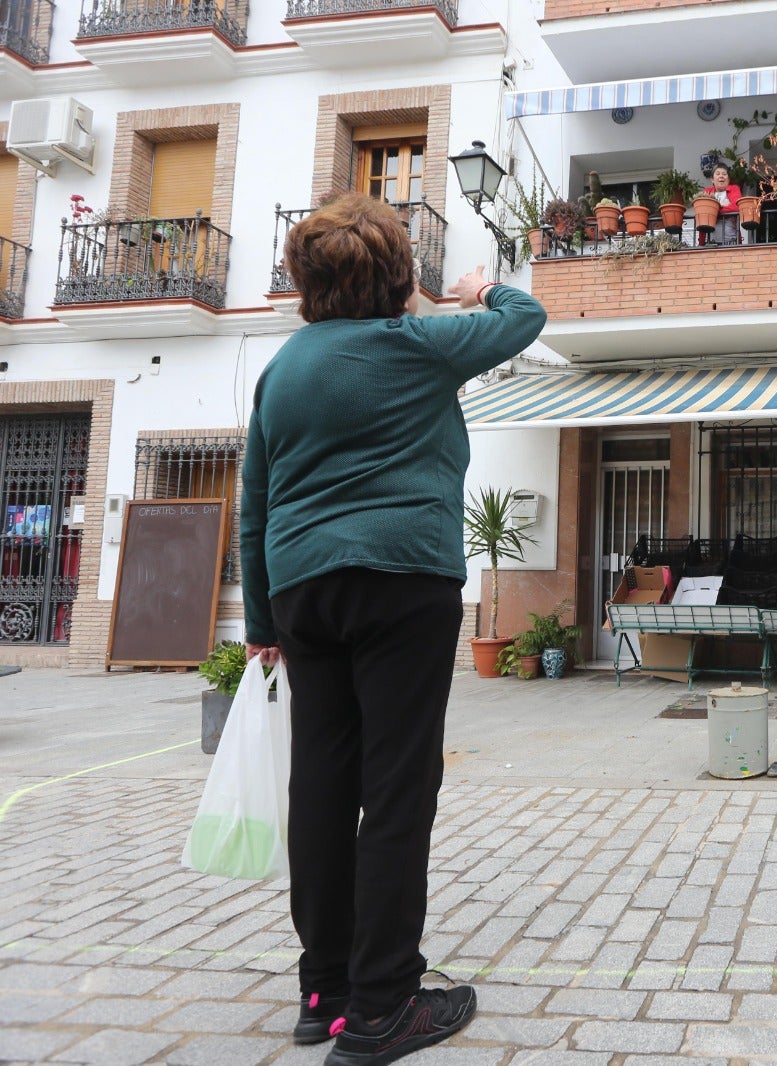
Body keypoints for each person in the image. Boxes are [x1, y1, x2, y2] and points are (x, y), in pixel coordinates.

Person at [240, 192, 547, 1065]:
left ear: (306, 281)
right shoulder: (418, 344)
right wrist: (478, 290)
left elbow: (255, 499)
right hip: (402, 583)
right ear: (397, 278)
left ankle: (324, 990)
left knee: (324, 786)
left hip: (304, 591)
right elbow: (526, 317)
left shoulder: (284, 369)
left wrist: (262, 617)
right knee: (399, 787)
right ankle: (383, 1009)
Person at [704, 163, 743, 246]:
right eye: (717, 174)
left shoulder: (734, 189)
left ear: (728, 179)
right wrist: (723, 206)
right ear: (712, 179)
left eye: (724, 174)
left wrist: (714, 210)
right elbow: (703, 213)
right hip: (710, 242)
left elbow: (737, 207)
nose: (721, 176)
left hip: (731, 241)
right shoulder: (708, 192)